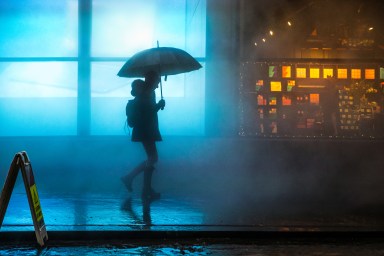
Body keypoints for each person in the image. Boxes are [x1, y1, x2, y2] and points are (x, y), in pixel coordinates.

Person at [121, 71, 165, 202]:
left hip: (145, 129)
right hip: (146, 129)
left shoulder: (147, 92)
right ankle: (131, 178)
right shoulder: (148, 93)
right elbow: (147, 112)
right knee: (153, 158)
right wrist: (158, 106)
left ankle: (146, 189)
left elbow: (147, 111)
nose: (158, 85)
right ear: (152, 80)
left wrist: (157, 106)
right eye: (157, 81)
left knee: (151, 158)